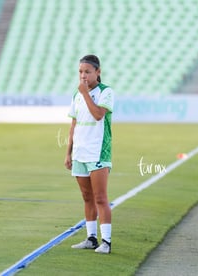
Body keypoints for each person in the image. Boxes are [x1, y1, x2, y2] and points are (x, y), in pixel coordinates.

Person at [65, 54, 114, 254]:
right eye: (80, 72)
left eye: (87, 71)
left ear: (98, 72)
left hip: (98, 151)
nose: (83, 75)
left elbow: (98, 114)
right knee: (87, 197)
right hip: (80, 152)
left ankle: (107, 242)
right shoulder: (76, 95)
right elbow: (73, 125)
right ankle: (91, 238)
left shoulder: (105, 92)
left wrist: (85, 93)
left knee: (100, 197)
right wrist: (68, 153)